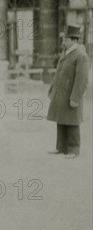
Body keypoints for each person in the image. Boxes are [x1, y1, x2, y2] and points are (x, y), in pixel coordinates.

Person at [47, 25, 89, 158]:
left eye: (66, 40)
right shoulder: (66, 53)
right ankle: (61, 147)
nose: (63, 42)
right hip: (61, 94)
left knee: (72, 122)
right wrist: (52, 89)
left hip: (71, 95)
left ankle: (73, 150)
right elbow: (58, 73)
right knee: (61, 119)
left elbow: (81, 79)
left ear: (74, 40)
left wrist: (75, 97)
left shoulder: (81, 55)